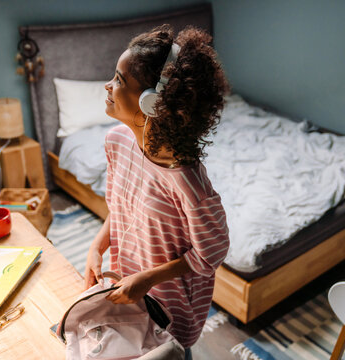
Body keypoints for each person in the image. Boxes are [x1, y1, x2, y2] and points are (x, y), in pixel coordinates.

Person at [84, 24, 230, 358]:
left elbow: (209, 256)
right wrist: (97, 246)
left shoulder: (189, 182)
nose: (108, 85)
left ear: (153, 102)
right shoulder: (117, 142)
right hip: (129, 289)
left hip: (170, 310)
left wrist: (149, 278)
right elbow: (122, 209)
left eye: (119, 80)